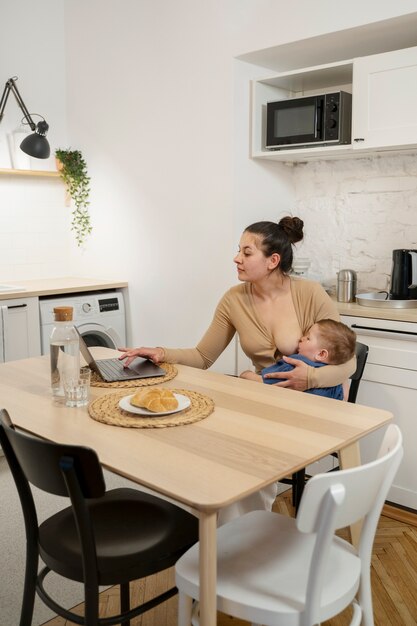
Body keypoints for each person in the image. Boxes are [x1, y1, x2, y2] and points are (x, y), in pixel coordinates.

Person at [119, 216, 356, 521]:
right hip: (264, 400)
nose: (236, 258)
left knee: (249, 461)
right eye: (238, 251)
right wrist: (160, 352)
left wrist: (309, 377)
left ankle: (244, 537)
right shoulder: (234, 299)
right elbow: (203, 356)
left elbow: (347, 361)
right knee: (213, 447)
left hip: (308, 405)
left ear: (273, 260)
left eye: (246, 253)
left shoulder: (308, 293)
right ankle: (222, 530)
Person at [240, 319, 356, 401]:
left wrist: (247, 375)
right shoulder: (335, 382)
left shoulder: (293, 365)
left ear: (321, 354)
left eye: (308, 338)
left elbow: (265, 382)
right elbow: (344, 397)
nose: (302, 339)